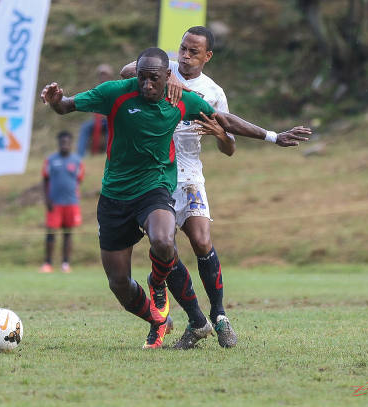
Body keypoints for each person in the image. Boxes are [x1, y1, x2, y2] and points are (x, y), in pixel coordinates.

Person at [40, 47, 310, 349]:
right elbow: (67, 105)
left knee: (165, 241)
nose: (146, 85)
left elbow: (224, 119)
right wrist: (55, 100)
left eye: (153, 79)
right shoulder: (116, 93)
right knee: (118, 283)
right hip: (115, 195)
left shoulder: (181, 99)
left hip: (155, 187)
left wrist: (273, 136)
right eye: (141, 78)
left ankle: (161, 284)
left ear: (168, 77)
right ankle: (158, 320)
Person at [121, 26, 238, 349]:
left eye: (193, 52)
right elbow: (127, 70)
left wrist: (220, 134)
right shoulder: (161, 73)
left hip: (189, 177)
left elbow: (230, 148)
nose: (185, 56)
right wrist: (169, 76)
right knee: (165, 248)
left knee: (202, 241)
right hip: (156, 177)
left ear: (207, 56)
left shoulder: (213, 92)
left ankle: (219, 315)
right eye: (183, 49)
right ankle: (196, 320)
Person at [40, 131, 84, 274]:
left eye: (67, 142)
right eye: (62, 142)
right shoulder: (50, 160)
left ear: (71, 143)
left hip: (71, 203)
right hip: (54, 203)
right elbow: (45, 180)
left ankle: (65, 263)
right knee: (51, 234)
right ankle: (48, 263)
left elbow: (79, 180)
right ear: (58, 143)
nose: (64, 144)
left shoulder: (77, 161)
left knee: (68, 234)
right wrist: (47, 199)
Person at [76, 64, 114, 157]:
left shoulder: (114, 88)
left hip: (110, 119)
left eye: (105, 75)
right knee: (85, 127)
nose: (103, 77)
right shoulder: (96, 89)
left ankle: (108, 154)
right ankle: (79, 156)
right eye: (101, 75)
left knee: (111, 128)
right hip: (97, 119)